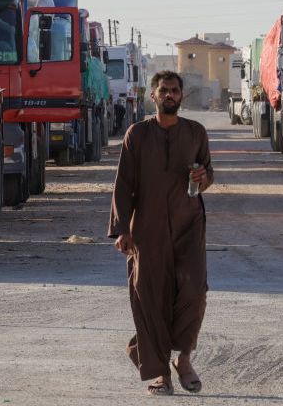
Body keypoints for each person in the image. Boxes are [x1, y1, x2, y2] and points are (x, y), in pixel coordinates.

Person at [109, 70, 213, 396]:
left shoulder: (196, 133)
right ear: (153, 96)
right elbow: (123, 186)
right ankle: (159, 374)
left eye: (174, 91)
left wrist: (202, 177)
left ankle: (183, 359)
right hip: (148, 229)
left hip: (188, 225)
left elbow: (207, 175)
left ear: (182, 96)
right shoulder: (136, 135)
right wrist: (121, 230)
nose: (169, 95)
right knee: (150, 298)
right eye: (163, 90)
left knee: (194, 291)